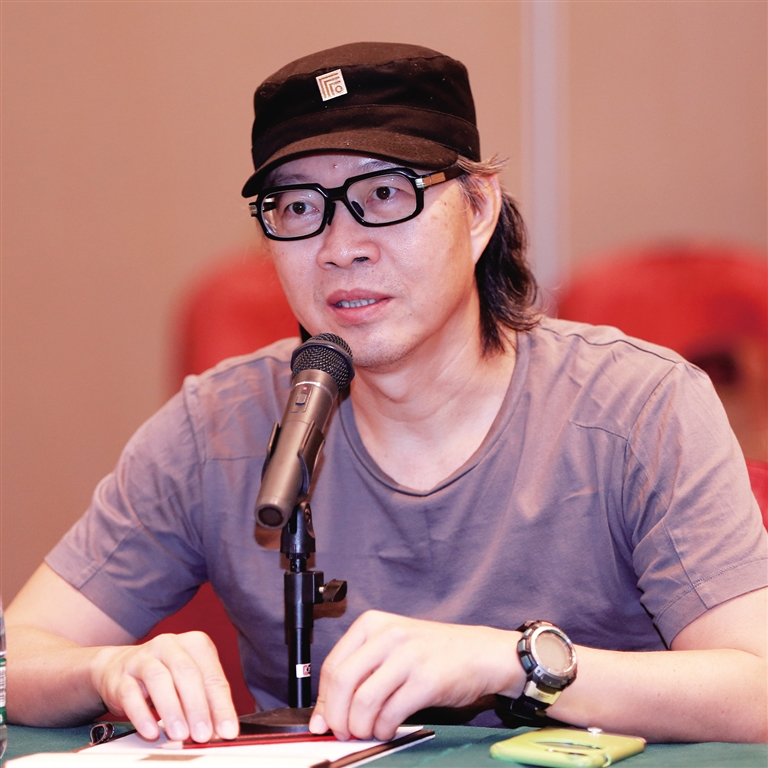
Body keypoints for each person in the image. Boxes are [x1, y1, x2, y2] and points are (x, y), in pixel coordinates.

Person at [6, 42, 767, 746]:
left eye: (384, 193)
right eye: (299, 207)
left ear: (478, 209)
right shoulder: (218, 427)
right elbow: (20, 654)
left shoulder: (639, 407)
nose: (342, 248)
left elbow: (756, 686)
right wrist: (107, 669)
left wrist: (509, 662)